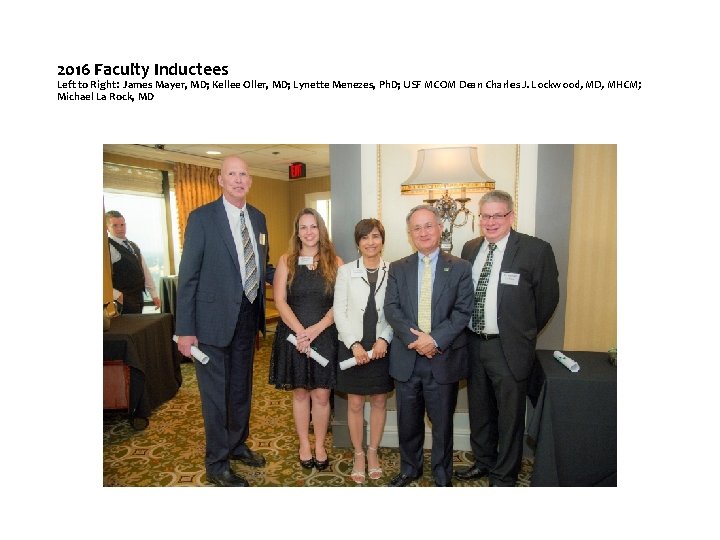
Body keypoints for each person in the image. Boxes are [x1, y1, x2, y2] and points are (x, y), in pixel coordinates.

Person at [175, 156, 274, 487]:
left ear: (250, 180)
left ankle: (236, 444)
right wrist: (185, 331)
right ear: (220, 180)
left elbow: (262, 266)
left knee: (241, 390)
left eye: (243, 174)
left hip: (248, 319)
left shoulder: (258, 219)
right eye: (231, 174)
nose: (238, 179)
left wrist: (298, 269)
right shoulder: (202, 218)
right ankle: (217, 463)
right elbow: (188, 277)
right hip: (210, 325)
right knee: (216, 397)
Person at [457, 190, 559, 486]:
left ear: (511, 216)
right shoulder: (470, 248)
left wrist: (521, 332)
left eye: (497, 215)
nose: (490, 222)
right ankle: (484, 461)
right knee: (480, 409)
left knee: (510, 416)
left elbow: (547, 300)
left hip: (508, 347)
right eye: (485, 216)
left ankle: (504, 475)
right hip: (473, 344)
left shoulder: (535, 250)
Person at [383, 205, 474, 487]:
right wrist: (417, 341)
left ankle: (442, 474)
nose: (423, 232)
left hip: (442, 358)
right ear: (410, 234)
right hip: (407, 359)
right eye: (417, 228)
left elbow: (462, 311)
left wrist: (433, 340)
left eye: (428, 226)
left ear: (440, 228)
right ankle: (410, 470)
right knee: (408, 423)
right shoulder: (398, 268)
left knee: (443, 424)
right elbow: (392, 309)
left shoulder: (459, 267)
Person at [269, 208, 342, 471]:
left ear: (321, 230)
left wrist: (315, 330)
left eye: (313, 226)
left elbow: (340, 304)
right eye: (303, 227)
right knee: (300, 393)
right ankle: (304, 443)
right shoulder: (286, 261)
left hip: (323, 336)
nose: (309, 232)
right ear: (297, 232)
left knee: (322, 395)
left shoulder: (335, 262)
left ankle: (320, 444)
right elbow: (279, 301)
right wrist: (301, 331)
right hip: (293, 336)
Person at [333, 218, 393, 484]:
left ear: (382, 240)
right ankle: (358, 453)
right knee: (355, 402)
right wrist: (353, 344)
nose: (371, 242)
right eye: (365, 237)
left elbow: (395, 311)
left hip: (381, 347)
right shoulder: (346, 271)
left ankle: (372, 453)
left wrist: (384, 339)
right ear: (358, 242)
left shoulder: (394, 270)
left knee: (380, 401)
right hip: (352, 346)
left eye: (376, 236)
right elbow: (340, 312)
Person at [105, 210, 161, 314]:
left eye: (122, 225)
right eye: (115, 225)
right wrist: (118, 296)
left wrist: (153, 293)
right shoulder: (107, 248)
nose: (120, 229)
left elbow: (144, 270)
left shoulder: (132, 245)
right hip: (121, 301)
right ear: (107, 228)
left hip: (138, 297)